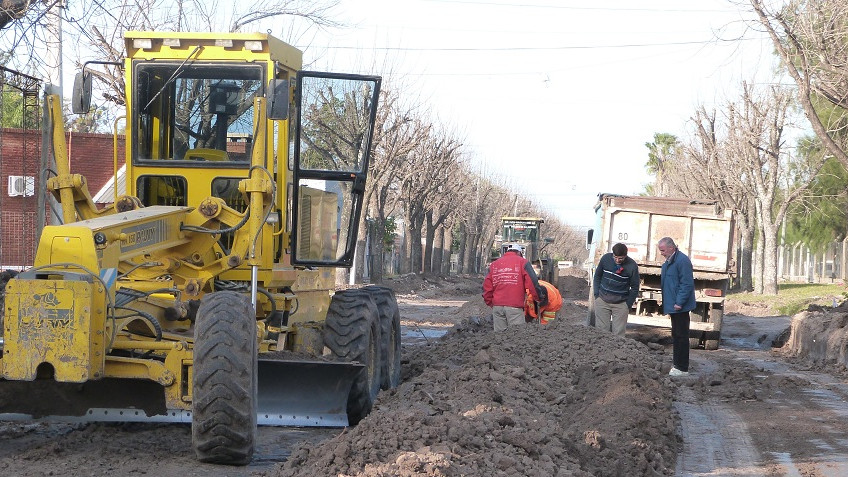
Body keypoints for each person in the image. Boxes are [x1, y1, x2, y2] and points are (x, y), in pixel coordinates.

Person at [483, 243, 546, 332]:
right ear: (519, 252)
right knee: (517, 338)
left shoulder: (494, 264)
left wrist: (490, 303)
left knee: (499, 338)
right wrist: (538, 297)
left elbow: (487, 286)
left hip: (497, 307)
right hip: (514, 308)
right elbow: (533, 282)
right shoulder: (523, 262)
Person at [658, 237, 696, 377]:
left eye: (662, 250)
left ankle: (681, 368)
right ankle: (677, 365)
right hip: (674, 306)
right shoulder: (670, 261)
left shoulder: (682, 261)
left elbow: (686, 284)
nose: (661, 253)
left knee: (681, 336)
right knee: (676, 335)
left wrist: (679, 302)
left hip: (680, 307)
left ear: (671, 248)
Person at [592, 242, 640, 335]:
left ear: (625, 256)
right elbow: (597, 276)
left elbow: (635, 287)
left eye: (620, 258)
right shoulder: (606, 259)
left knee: (618, 335)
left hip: (621, 304)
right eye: (615, 257)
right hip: (602, 301)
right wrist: (596, 295)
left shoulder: (632, 266)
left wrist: (628, 304)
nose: (617, 260)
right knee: (601, 332)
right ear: (612, 254)